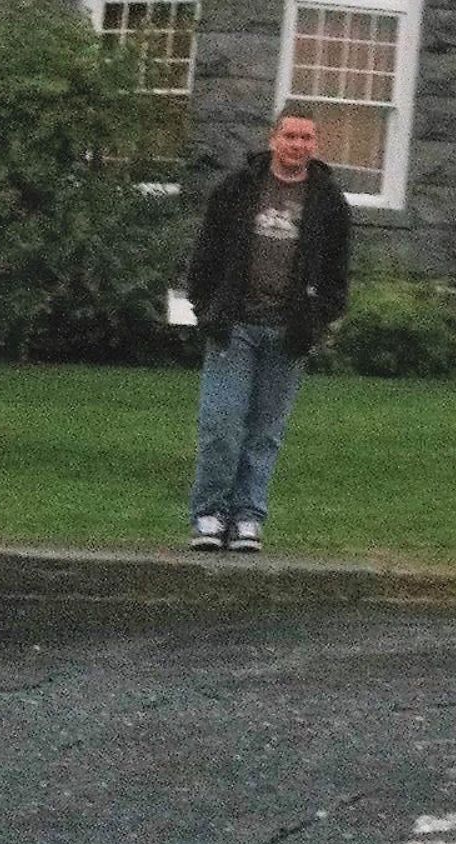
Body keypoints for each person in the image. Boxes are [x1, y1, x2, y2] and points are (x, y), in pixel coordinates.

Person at [184, 104, 350, 552]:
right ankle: (209, 513)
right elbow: (204, 257)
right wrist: (207, 308)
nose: (298, 146)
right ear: (273, 138)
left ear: (315, 144)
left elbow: (338, 275)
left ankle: (247, 517)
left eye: (307, 138)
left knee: (265, 431)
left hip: (288, 332)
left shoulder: (329, 202)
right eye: (291, 136)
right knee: (220, 423)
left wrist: (317, 319)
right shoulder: (236, 190)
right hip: (234, 326)